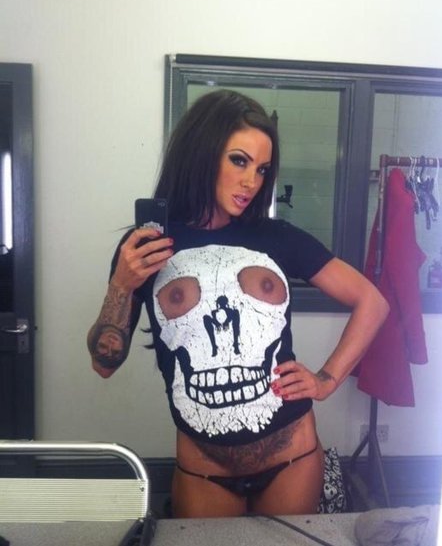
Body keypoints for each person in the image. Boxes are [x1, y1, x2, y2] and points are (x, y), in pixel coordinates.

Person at [87, 89, 389, 518]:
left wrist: (326, 378)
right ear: (202, 154)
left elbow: (372, 302)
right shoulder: (147, 247)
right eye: (239, 161)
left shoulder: (276, 237)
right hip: (203, 471)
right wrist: (121, 285)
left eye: (262, 169)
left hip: (292, 457)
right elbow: (104, 364)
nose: (253, 182)